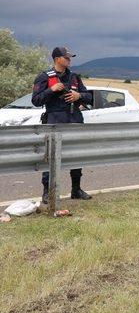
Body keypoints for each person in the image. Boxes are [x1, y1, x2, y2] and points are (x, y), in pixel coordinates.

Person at [32, 47, 93, 204]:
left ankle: (76, 189)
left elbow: (89, 97)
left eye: (70, 57)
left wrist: (78, 95)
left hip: (74, 120)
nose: (69, 60)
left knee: (76, 155)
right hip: (54, 121)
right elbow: (36, 100)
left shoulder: (74, 77)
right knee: (50, 157)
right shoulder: (44, 77)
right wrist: (51, 90)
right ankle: (47, 192)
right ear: (57, 59)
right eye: (66, 57)